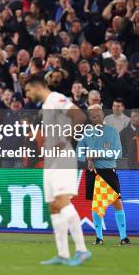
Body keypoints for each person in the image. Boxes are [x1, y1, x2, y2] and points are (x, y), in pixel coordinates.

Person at [24, 74, 91, 266]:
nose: (27, 95)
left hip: (63, 158)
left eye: (28, 90)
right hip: (51, 160)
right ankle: (62, 254)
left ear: (36, 87)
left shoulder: (56, 98)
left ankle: (82, 249)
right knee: (54, 206)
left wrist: (65, 142)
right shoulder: (46, 105)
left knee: (62, 201)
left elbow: (79, 116)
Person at [78, 105, 129, 246]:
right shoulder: (87, 133)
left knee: (117, 202)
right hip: (93, 172)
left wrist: (96, 155)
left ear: (102, 114)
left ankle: (124, 237)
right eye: (93, 117)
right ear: (90, 118)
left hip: (108, 171)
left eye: (98, 115)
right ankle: (99, 237)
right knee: (96, 205)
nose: (96, 118)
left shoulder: (112, 132)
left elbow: (118, 153)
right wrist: (87, 159)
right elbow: (79, 152)